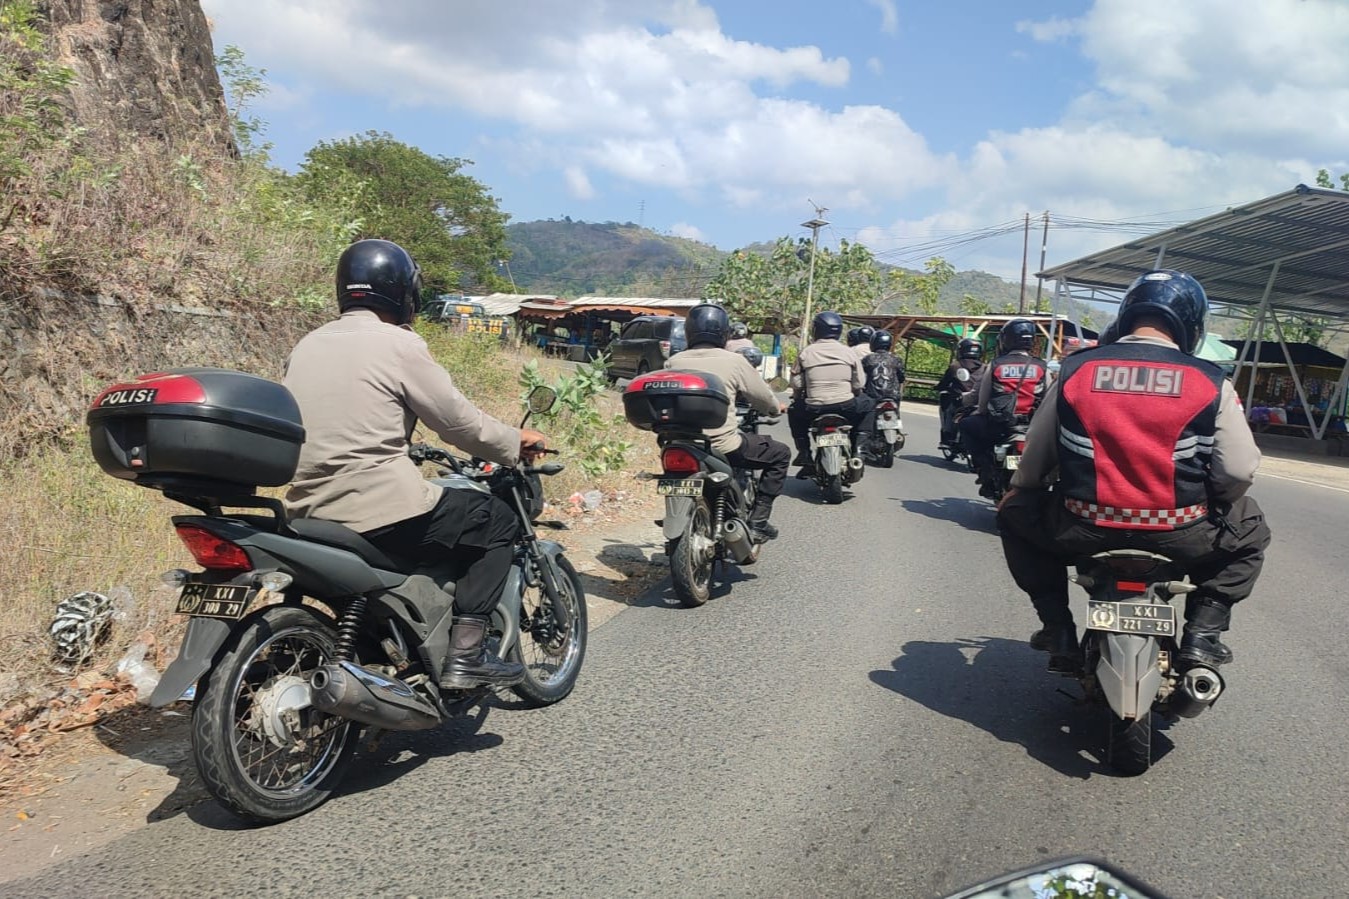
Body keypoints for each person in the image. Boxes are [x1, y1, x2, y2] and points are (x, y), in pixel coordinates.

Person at [283, 239, 548, 690]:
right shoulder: (399, 344)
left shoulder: (307, 344)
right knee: (497, 522)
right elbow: (458, 422)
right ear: (404, 291)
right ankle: (468, 654)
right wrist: (513, 440)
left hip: (308, 513)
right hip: (378, 509)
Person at [997, 270, 1271, 673]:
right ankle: (1203, 634)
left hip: (1080, 526)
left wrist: (1023, 491)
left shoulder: (1076, 370)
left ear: (1127, 314)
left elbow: (1036, 459)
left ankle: (1056, 627)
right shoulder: (1212, 381)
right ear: (1192, 324)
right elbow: (1238, 471)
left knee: (1013, 512)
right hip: (1181, 532)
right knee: (1252, 528)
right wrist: (1209, 504)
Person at [666, 304, 790, 542]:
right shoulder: (735, 361)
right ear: (724, 333)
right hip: (724, 446)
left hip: (679, 444)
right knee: (781, 454)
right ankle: (758, 522)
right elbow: (764, 398)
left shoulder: (674, 361)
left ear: (690, 332)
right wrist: (776, 408)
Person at [958, 319, 1048, 498]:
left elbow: (982, 401)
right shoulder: (1042, 366)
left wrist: (977, 409)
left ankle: (984, 469)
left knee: (966, 425)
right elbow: (1048, 398)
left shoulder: (997, 364)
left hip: (1000, 425)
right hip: (1032, 427)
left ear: (1006, 339)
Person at [788, 310, 866, 475]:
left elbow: (796, 383)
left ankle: (804, 453)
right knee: (870, 405)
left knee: (793, 411)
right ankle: (859, 450)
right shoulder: (849, 352)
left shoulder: (806, 352)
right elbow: (859, 382)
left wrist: (799, 396)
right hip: (846, 405)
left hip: (814, 407)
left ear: (816, 330)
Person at [857, 330, 906, 451]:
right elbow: (901, 378)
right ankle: (898, 430)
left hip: (873, 396)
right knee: (896, 410)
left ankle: (863, 438)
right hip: (893, 396)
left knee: (863, 417)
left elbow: (860, 377)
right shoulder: (896, 360)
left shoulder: (867, 359)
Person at [937, 338, 985, 448]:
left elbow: (945, 382)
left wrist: (939, 387)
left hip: (960, 401)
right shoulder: (985, 367)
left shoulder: (955, 366)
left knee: (948, 411)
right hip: (980, 400)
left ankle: (947, 437)